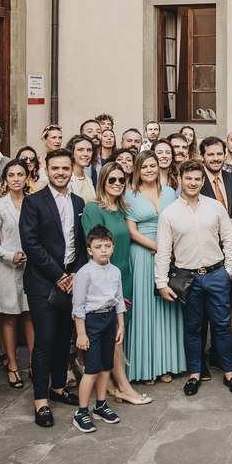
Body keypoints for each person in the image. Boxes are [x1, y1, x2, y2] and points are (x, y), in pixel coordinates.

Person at [156, 160, 232, 396]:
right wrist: (162, 283)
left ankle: (229, 373)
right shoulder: (169, 214)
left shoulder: (215, 207)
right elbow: (163, 251)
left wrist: (229, 270)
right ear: (180, 180)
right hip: (187, 279)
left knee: (222, 327)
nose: (193, 183)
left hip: (216, 275)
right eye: (188, 178)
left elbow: (229, 241)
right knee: (192, 328)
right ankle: (194, 374)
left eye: (197, 179)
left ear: (202, 181)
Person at [20, 148, 88, 428]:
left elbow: (81, 243)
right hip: (42, 282)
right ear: (45, 170)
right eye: (55, 168)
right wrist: (58, 274)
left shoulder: (79, 201)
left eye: (65, 168)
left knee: (64, 339)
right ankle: (40, 401)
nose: (60, 172)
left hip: (71, 282)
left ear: (71, 170)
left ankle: (58, 387)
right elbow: (30, 243)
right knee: (45, 340)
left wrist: (74, 274)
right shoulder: (33, 202)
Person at [80, 165, 150, 406]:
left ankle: (109, 384)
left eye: (122, 179)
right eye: (112, 179)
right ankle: (124, 387)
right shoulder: (93, 209)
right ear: (102, 181)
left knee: (119, 332)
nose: (118, 183)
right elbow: (95, 248)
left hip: (124, 277)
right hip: (104, 281)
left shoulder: (121, 209)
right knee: (113, 336)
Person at [122, 151, 184, 385]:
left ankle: (166, 363)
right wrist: (157, 246)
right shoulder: (130, 195)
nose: (149, 170)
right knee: (144, 310)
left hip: (168, 256)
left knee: (166, 309)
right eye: (144, 166)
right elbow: (131, 230)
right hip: (142, 254)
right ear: (137, 170)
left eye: (152, 165)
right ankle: (145, 366)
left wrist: (169, 249)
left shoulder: (169, 192)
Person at [70, 225, 126, 433]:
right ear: (89, 250)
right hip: (91, 323)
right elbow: (78, 306)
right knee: (91, 369)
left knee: (105, 366)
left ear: (113, 248)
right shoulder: (84, 273)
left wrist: (120, 325)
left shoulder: (115, 271)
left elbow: (119, 300)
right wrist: (81, 333)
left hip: (109, 319)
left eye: (107, 246)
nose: (103, 250)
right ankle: (81, 411)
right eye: (98, 246)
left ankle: (100, 405)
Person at [0, 159, 32, 389]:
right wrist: (9, 255)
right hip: (7, 267)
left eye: (20, 174)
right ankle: (13, 365)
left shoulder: (33, 202)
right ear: (5, 179)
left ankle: (34, 363)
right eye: (11, 175)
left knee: (30, 316)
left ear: (27, 178)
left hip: (31, 267)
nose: (16, 179)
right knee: (11, 317)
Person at [67, 135, 98, 201]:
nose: (86, 154)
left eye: (89, 150)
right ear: (71, 152)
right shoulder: (66, 179)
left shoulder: (88, 179)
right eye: (80, 150)